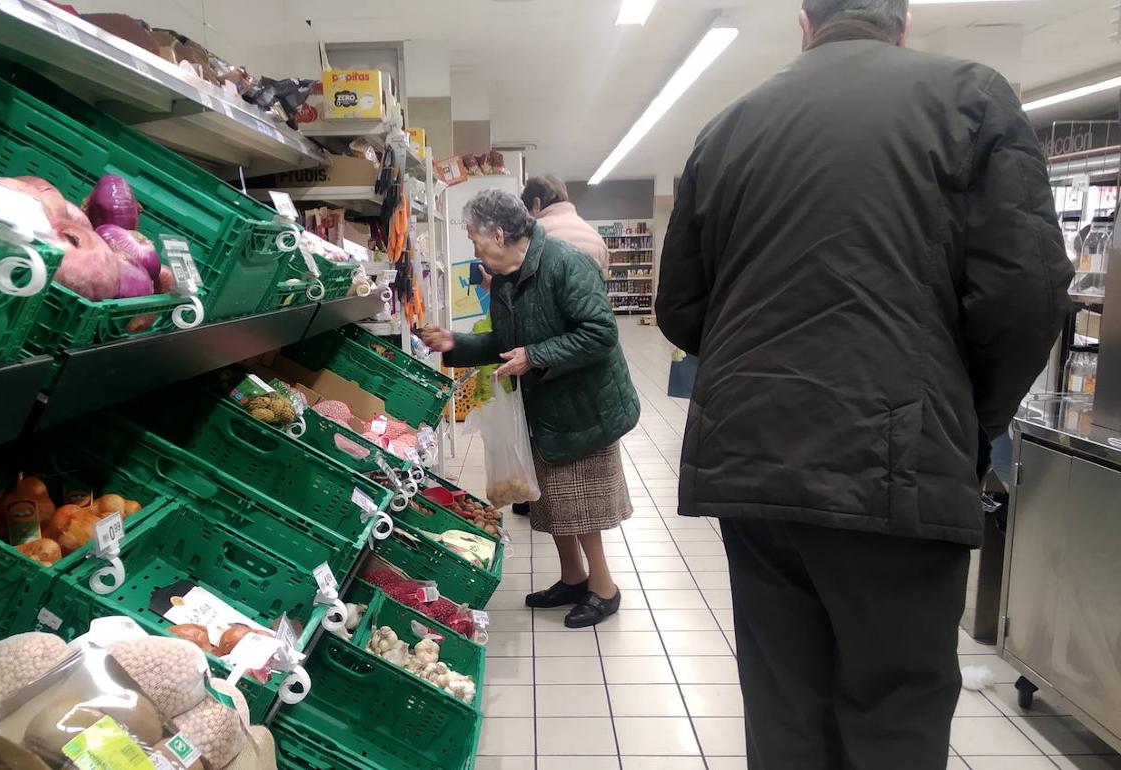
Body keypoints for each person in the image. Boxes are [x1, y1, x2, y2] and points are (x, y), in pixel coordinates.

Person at [657, 1, 1072, 767]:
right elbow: (1029, 293)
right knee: (892, 716)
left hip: (754, 466)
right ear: (903, 24)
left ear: (804, 25)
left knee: (783, 709)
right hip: (900, 468)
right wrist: (965, 418)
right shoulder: (971, 97)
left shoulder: (727, 128)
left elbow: (682, 310)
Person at [420, 189, 640, 627]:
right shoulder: (504, 276)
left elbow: (600, 333)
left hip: (584, 405)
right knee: (552, 499)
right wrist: (455, 344)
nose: (473, 248)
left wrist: (536, 356)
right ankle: (573, 578)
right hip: (543, 405)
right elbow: (506, 344)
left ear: (499, 233)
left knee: (582, 504)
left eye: (474, 238)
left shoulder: (565, 264)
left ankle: (604, 588)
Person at [492, 175, 611, 519]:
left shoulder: (544, 243)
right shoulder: (591, 234)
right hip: (584, 366)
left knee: (555, 462)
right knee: (583, 471)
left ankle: (536, 501)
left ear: (537, 204)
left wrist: (532, 350)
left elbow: (537, 306)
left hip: (550, 362)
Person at [521, 175, 610, 272]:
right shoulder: (596, 237)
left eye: (527, 213)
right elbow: (601, 283)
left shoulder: (532, 235)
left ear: (536, 204)